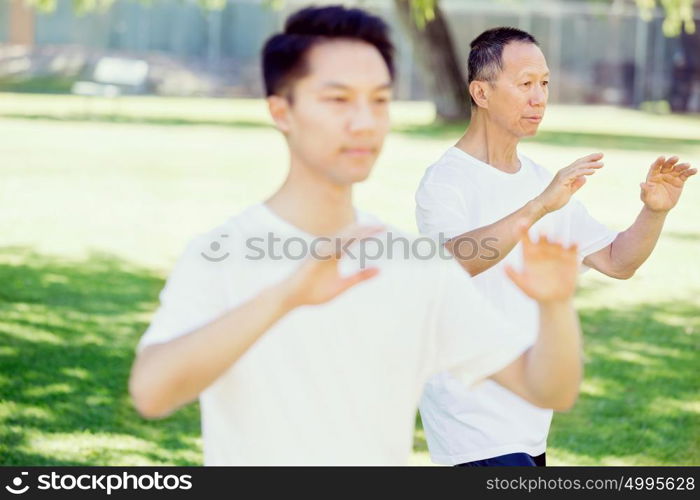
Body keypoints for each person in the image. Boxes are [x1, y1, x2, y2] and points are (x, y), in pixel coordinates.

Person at [129, 7, 584, 466]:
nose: (365, 122)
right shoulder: (225, 251)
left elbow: (550, 388)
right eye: (339, 100)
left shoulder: (410, 262)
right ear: (281, 111)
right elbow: (151, 392)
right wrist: (287, 296)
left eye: (380, 100)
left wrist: (555, 305)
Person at [415, 26, 697, 467]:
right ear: (481, 92)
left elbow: (617, 261)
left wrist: (655, 212)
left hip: (528, 419)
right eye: (525, 83)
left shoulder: (541, 180)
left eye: (544, 83)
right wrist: (539, 206)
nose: (539, 96)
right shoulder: (447, 180)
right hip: (469, 418)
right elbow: (452, 262)